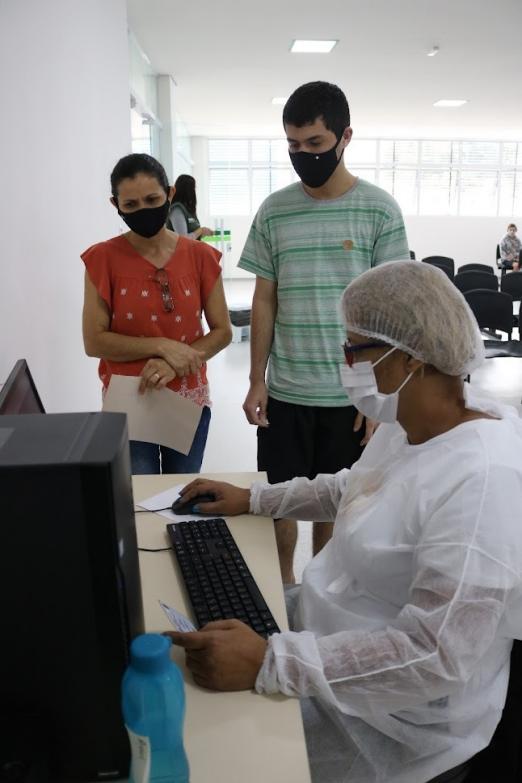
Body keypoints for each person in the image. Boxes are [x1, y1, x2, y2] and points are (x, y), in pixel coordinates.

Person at [168, 261, 522, 783]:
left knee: (212, 751)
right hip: (333, 633)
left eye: (356, 349)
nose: (344, 361)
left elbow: (435, 654)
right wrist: (257, 498)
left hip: (394, 717)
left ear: (412, 357)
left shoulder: (483, 480)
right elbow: (355, 487)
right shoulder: (416, 421)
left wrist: (274, 662)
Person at [238, 81, 410, 583]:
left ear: (344, 136)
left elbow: (390, 310)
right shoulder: (273, 210)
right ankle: (285, 588)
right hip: (287, 392)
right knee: (280, 500)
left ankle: (319, 588)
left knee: (336, 505)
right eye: (293, 144)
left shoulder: (379, 210)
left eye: (314, 143)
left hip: (349, 396)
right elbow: (264, 298)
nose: (302, 154)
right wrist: (256, 379)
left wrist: (380, 395)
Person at [81, 153, 232, 474]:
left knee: (181, 492)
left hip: (188, 399)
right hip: (129, 400)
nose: (143, 211)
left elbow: (223, 331)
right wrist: (162, 346)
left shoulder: (202, 257)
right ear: (116, 205)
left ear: (170, 194)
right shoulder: (102, 259)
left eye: (152, 199)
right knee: (140, 499)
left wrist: (175, 363)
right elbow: (94, 341)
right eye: (131, 205)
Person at [167, 174, 213, 241]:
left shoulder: (188, 209)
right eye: (193, 188)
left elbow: (193, 234)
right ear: (187, 190)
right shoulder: (177, 210)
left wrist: (203, 233)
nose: (194, 191)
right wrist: (200, 231)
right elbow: (184, 239)